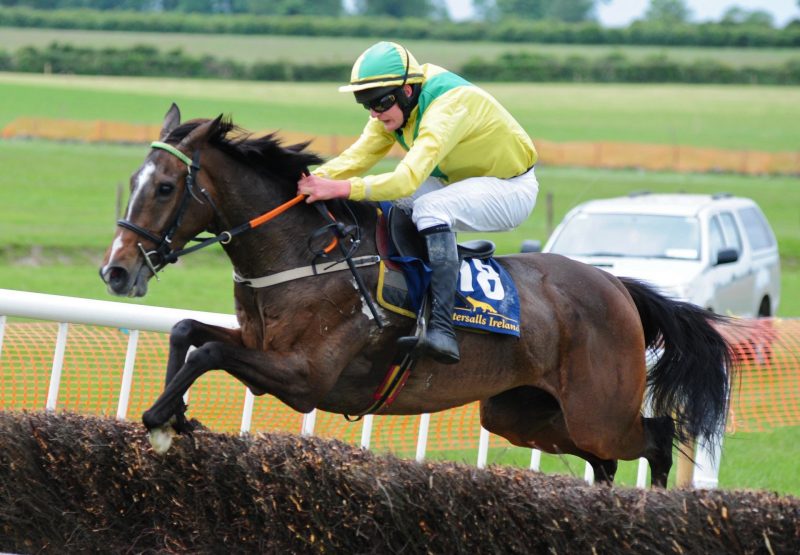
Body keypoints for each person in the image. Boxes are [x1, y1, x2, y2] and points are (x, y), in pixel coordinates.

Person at [297, 41, 539, 365]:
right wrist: (308, 182)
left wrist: (340, 188)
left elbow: (405, 179)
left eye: (379, 103)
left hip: (511, 189)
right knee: (393, 201)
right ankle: (410, 297)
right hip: (462, 181)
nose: (374, 112)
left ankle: (443, 329)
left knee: (428, 207)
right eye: (364, 103)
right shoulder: (394, 108)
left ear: (407, 90)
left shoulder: (446, 107)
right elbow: (357, 157)